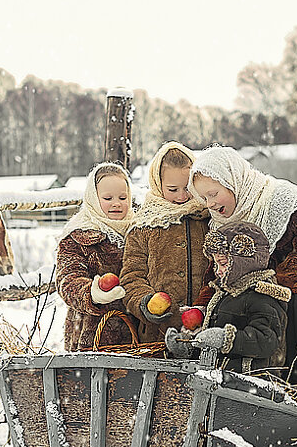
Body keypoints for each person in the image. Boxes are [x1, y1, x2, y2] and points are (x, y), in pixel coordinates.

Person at [189, 145, 297, 382]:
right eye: (204, 198)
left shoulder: (283, 199)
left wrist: (273, 285)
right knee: (236, 307)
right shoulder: (221, 222)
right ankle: (253, 377)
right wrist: (202, 306)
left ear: (233, 181)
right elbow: (215, 271)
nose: (209, 203)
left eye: (213, 194)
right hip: (255, 286)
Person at [165, 222, 289, 374]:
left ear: (243, 262)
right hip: (221, 377)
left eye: (222, 264)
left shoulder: (262, 296)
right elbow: (213, 338)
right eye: (216, 265)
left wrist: (227, 339)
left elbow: (266, 341)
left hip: (251, 380)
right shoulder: (224, 293)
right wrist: (189, 346)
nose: (218, 271)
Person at [119, 142, 210, 343]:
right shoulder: (144, 225)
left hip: (207, 330)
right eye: (172, 189)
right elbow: (132, 277)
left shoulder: (207, 216)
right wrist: (146, 303)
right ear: (158, 184)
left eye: (187, 188)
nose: (182, 196)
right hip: (157, 334)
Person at [55, 162, 138, 351]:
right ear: (93, 197)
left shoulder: (138, 230)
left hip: (136, 335)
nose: (117, 203)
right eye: (108, 198)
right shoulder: (78, 237)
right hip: (91, 336)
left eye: (123, 197)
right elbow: (67, 280)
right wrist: (91, 293)